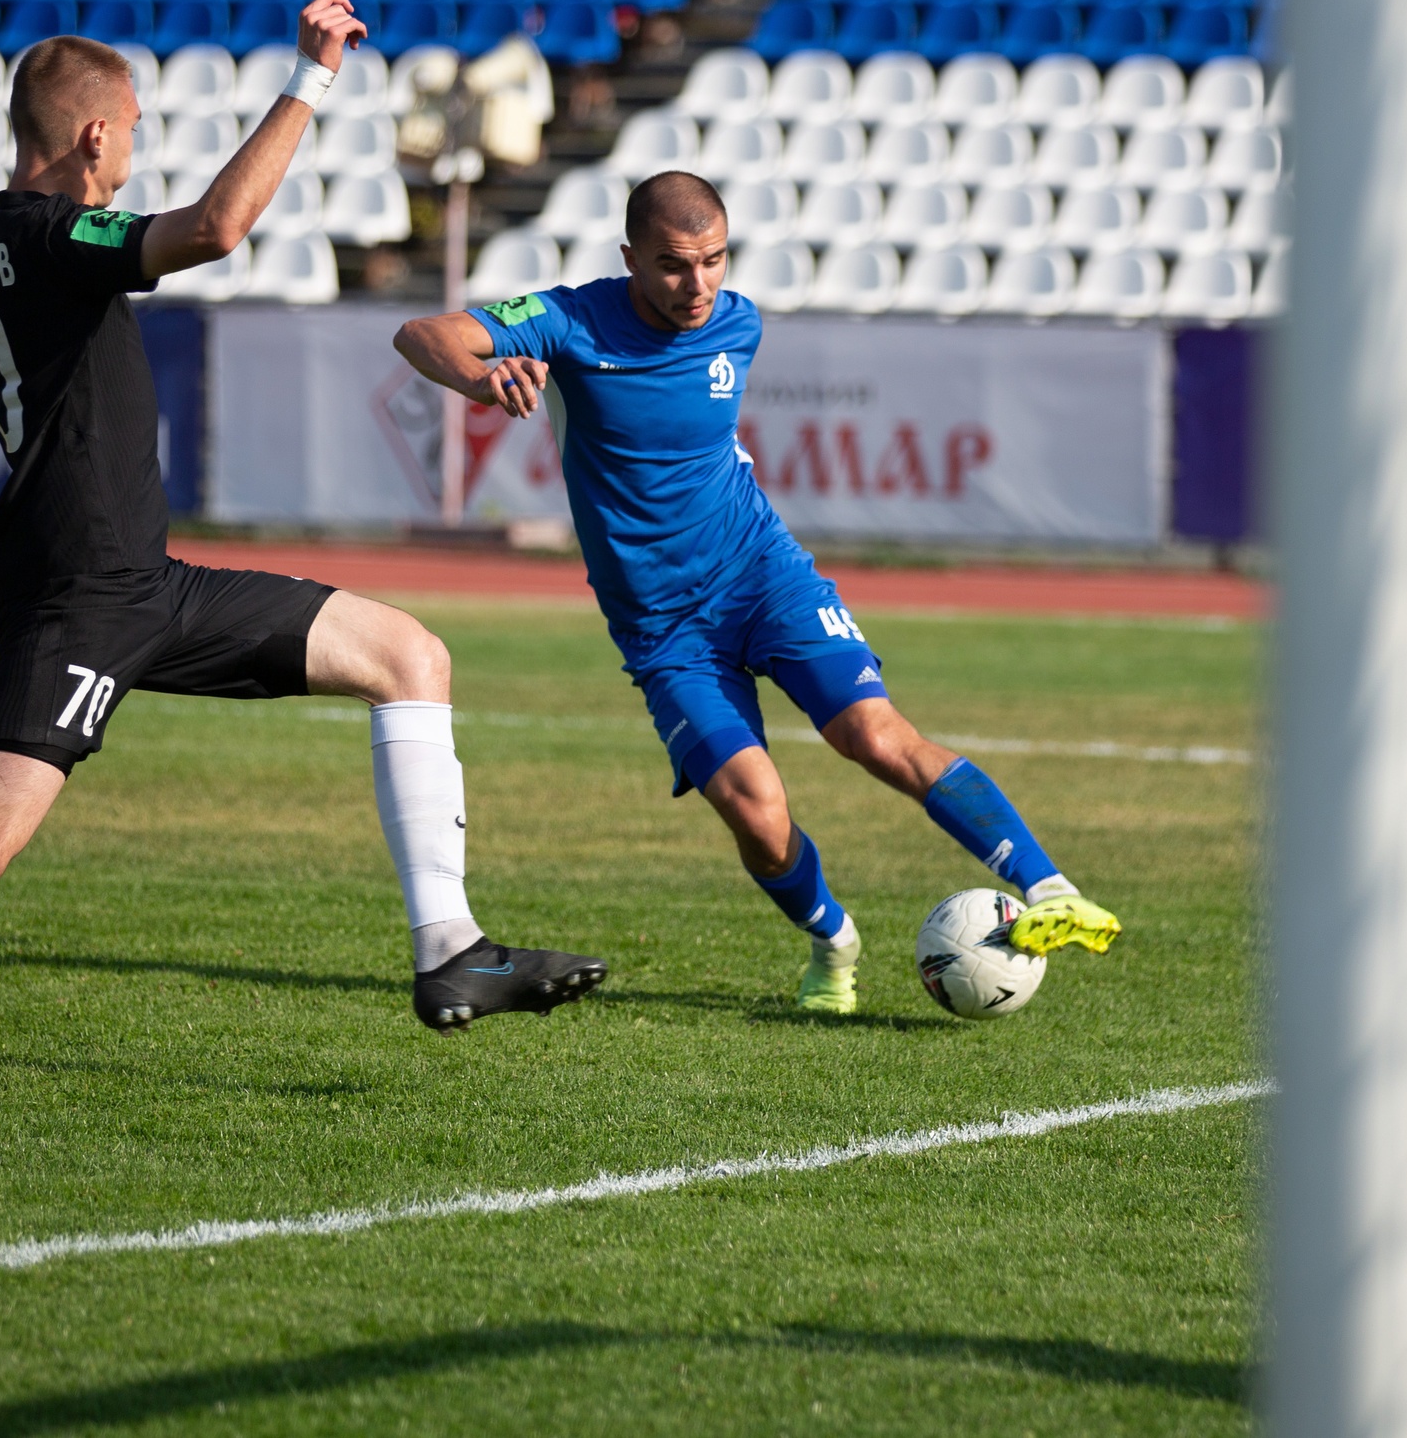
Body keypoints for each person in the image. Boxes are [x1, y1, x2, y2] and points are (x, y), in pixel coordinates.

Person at [0, 0, 607, 1104]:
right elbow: (216, 228)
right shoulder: (54, 235)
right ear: (94, 135)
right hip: (80, 593)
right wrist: (311, 77)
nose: (134, 147)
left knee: (409, 656)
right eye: (132, 125)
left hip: (148, 581)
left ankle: (449, 950)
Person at [392, 172, 1122, 1015]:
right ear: (630, 257)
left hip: (763, 575)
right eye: (671, 265)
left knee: (876, 735)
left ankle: (1052, 888)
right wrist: (481, 380)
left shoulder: (740, 322)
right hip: (665, 629)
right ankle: (833, 941)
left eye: (713, 260)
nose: (698, 285)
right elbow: (422, 333)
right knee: (758, 814)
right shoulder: (569, 319)